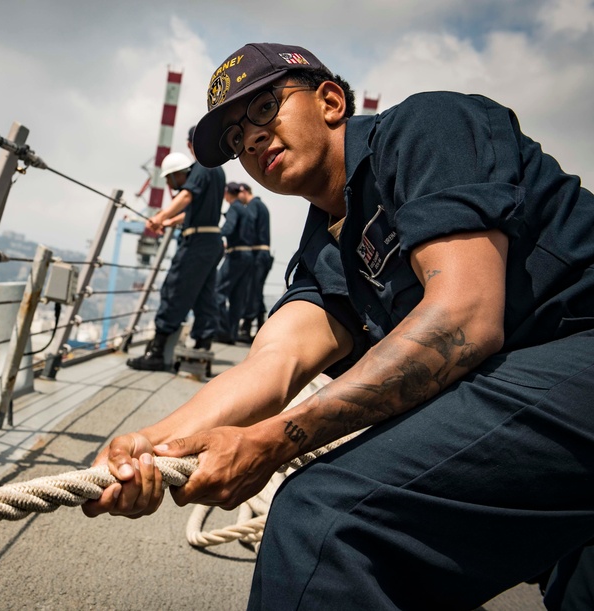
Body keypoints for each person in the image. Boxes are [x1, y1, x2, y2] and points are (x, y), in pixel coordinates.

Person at [86, 41, 594, 610]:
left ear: (330, 101)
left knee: (321, 517)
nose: (249, 140)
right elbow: (273, 367)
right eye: (234, 139)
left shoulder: (428, 128)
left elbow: (463, 319)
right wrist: (149, 445)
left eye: (261, 109)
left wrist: (271, 442)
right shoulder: (324, 250)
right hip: (540, 407)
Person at [126, 126, 225, 371]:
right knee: (204, 296)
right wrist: (170, 221)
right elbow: (197, 208)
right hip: (211, 241)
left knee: (175, 289)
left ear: (193, 144)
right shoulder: (218, 170)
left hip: (198, 244)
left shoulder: (202, 165)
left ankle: (158, 352)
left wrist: (160, 216)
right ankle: (202, 346)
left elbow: (187, 198)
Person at [215, 181, 258, 344]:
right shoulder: (246, 210)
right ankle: (232, 333)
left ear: (227, 194)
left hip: (235, 255)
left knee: (218, 290)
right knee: (237, 297)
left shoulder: (233, 208)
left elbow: (229, 227)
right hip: (248, 255)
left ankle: (222, 330)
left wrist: (216, 235)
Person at [238, 183, 273, 343]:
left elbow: (248, 228)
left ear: (244, 191)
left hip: (257, 254)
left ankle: (246, 328)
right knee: (257, 290)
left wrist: (239, 244)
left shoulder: (252, 206)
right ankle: (260, 326)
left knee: (251, 290)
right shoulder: (262, 206)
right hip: (264, 254)